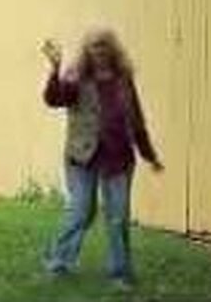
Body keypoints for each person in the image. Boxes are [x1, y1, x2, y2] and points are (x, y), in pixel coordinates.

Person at [40, 28, 163, 288]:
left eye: (104, 45)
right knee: (82, 211)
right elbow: (54, 99)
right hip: (81, 155)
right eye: (95, 46)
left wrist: (148, 154)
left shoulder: (123, 79)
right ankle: (58, 260)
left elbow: (136, 118)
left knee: (118, 216)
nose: (100, 50)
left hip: (118, 157)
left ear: (112, 49)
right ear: (88, 50)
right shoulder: (76, 77)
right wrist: (55, 69)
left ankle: (120, 273)